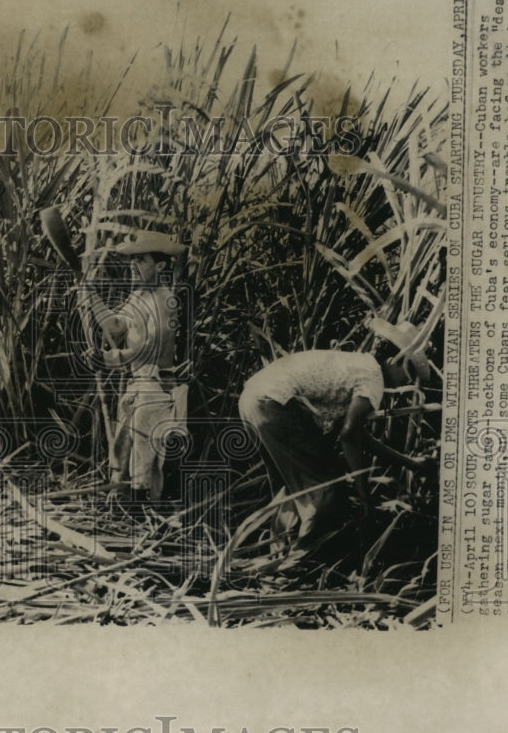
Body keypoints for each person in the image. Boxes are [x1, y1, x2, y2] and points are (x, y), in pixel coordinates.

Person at [238, 319, 436, 554]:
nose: (407, 381)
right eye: (410, 371)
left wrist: (411, 463)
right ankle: (297, 563)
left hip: (253, 399)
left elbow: (358, 436)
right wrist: (365, 497)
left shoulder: (358, 365)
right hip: (275, 403)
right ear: (395, 360)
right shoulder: (374, 378)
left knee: (292, 489)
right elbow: (349, 436)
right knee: (328, 488)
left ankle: (278, 555)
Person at [77, 230, 189, 502]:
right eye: (132, 260)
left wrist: (107, 360)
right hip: (136, 387)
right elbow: (115, 326)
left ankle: (146, 523)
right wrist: (91, 296)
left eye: (141, 260)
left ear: (160, 266)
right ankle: (130, 519)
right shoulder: (138, 297)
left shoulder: (164, 300)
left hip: (155, 391)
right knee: (125, 458)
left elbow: (149, 349)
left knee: (145, 466)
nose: (133, 266)